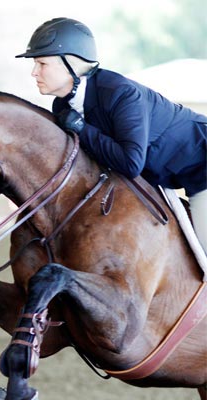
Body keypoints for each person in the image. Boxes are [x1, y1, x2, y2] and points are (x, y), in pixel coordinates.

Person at [16, 17, 207, 254]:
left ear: (71, 64)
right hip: (164, 176)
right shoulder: (62, 107)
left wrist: (81, 128)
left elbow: (130, 163)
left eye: (42, 64)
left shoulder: (121, 93)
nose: (34, 72)